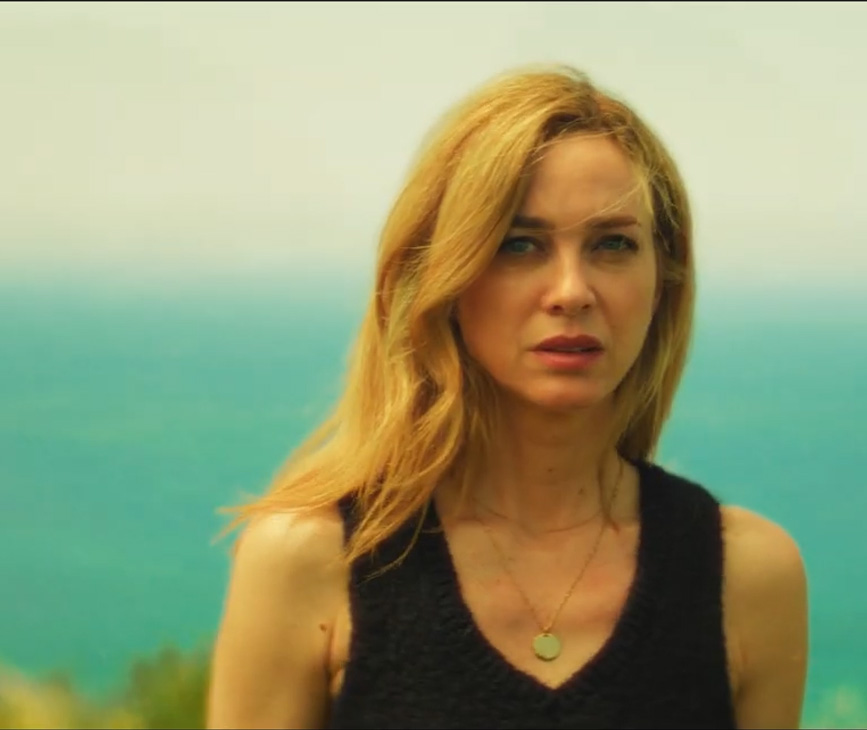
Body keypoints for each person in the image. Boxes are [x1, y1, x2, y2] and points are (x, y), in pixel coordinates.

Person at [204, 64, 809, 729]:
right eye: (520, 245)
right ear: (442, 276)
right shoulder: (310, 560)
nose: (571, 291)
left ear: (664, 277)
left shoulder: (747, 575)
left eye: (612, 244)